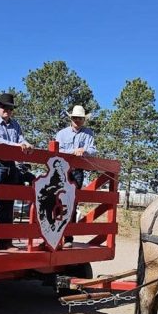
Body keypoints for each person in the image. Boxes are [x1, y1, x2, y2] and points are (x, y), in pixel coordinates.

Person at [0, 93, 33, 252]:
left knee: (8, 204)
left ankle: (5, 242)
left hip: (11, 164)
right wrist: (18, 146)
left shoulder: (15, 124)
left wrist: (26, 144)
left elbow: (21, 139)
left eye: (10, 108)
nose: (7, 110)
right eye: (4, 107)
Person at [55, 105, 96, 247]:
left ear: (84, 120)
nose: (77, 120)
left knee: (72, 203)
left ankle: (68, 237)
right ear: (71, 119)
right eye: (75, 118)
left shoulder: (88, 133)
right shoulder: (61, 134)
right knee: (57, 201)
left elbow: (92, 150)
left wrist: (84, 151)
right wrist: (73, 151)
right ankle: (54, 234)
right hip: (61, 170)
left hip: (77, 171)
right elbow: (57, 150)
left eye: (80, 118)